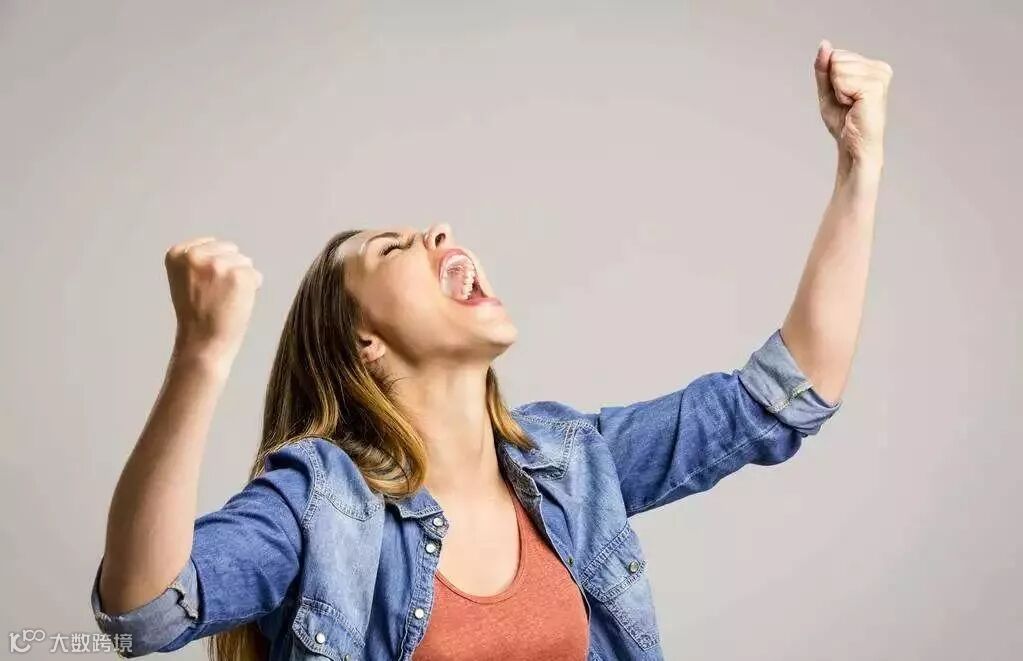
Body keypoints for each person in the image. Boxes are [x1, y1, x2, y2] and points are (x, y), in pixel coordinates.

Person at [89, 39, 892, 661]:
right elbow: (142, 612)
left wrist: (859, 162)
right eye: (392, 247)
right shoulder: (321, 504)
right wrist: (200, 355)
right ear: (365, 341)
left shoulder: (573, 461)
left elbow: (783, 396)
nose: (438, 231)